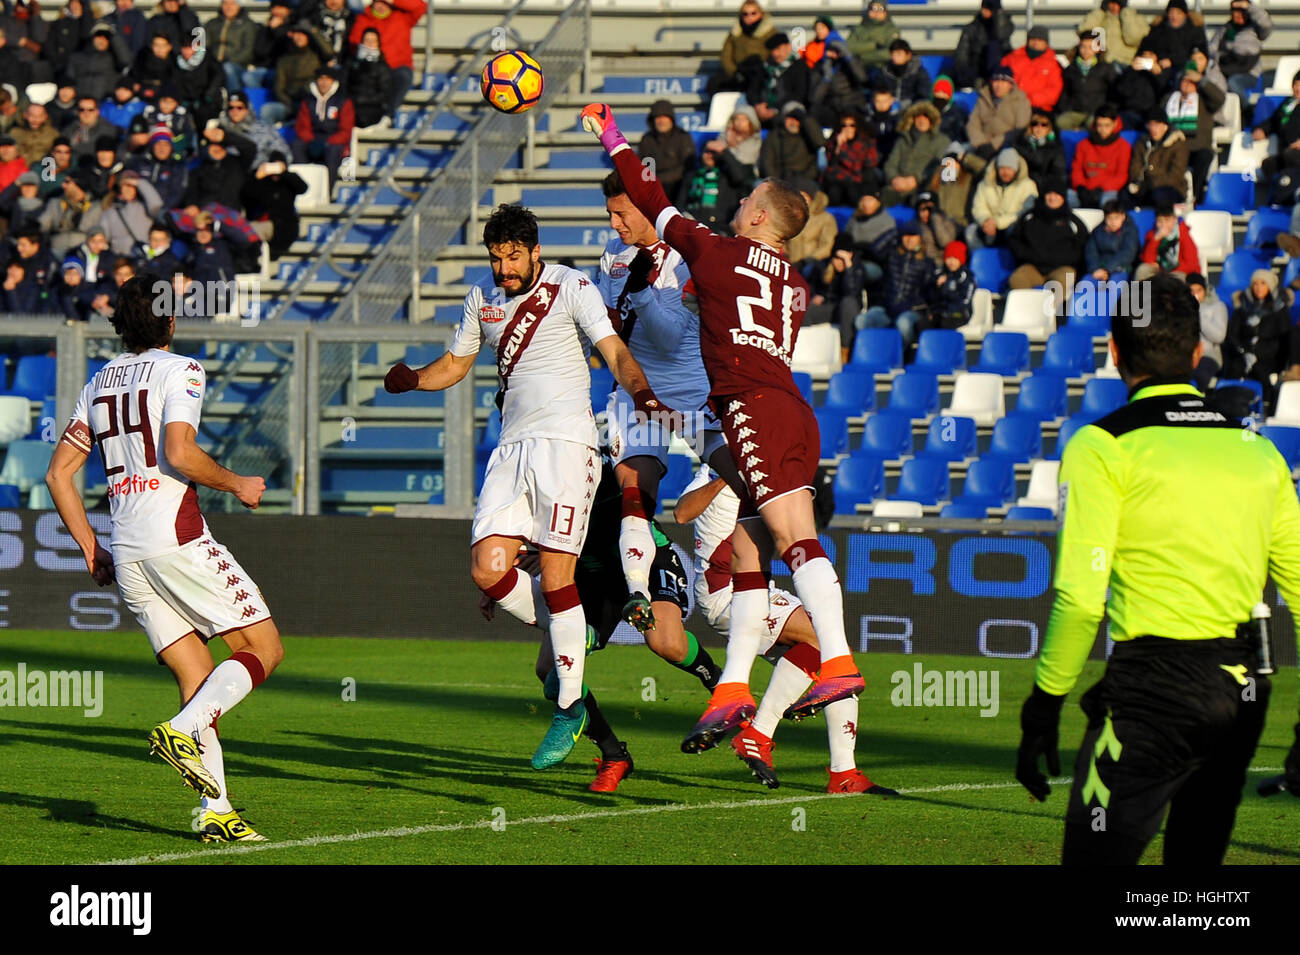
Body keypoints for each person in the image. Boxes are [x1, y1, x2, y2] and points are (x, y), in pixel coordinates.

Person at [582, 101, 867, 753]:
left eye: (749, 200)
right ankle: (738, 689)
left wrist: (610, 133)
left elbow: (653, 199)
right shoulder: (793, 284)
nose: (738, 204)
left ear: (761, 216)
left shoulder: (717, 254)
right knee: (762, 553)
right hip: (794, 409)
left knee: (795, 546)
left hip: (751, 411)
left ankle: (840, 662)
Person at [1015, 272, 1300, 864]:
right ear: (1198, 353)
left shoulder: (1102, 445)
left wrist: (1044, 707)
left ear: (1114, 352)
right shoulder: (1258, 451)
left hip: (1151, 692)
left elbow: (1079, 598)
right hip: (1241, 691)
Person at [381, 203, 669, 770]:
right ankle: (574, 632)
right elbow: (456, 365)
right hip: (511, 450)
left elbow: (613, 351)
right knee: (487, 570)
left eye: (514, 257)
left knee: (558, 573)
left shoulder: (572, 287)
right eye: (496, 258)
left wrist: (642, 393)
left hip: (569, 447)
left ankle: (569, 704)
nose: (504, 269)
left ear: (535, 251)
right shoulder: (481, 301)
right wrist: (414, 378)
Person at [44, 272, 284, 844]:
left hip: (126, 549)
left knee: (198, 677)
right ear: (171, 322)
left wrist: (89, 546)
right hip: (175, 537)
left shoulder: (98, 382)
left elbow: (58, 473)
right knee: (264, 649)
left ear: (121, 325)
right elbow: (179, 452)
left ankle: (216, 811)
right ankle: (182, 728)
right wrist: (239, 485)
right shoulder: (182, 370)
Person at [483, 457, 723, 793]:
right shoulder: (542, 472)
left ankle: (722, 686)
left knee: (666, 643)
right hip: (593, 575)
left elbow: (635, 511)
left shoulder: (606, 471)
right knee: (548, 671)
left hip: (645, 562)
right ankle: (614, 756)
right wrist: (501, 580)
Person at [674, 466, 894, 794]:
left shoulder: (760, 468)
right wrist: (726, 475)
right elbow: (681, 513)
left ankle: (843, 774)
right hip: (726, 594)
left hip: (753, 590)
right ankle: (759, 734)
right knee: (824, 642)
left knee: (832, 663)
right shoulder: (713, 471)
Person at [597, 170, 725, 631]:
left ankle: (769, 585)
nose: (614, 224)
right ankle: (636, 590)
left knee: (746, 475)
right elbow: (608, 322)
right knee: (634, 491)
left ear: (648, 207)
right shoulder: (613, 254)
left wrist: (643, 293)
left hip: (693, 392)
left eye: (621, 213)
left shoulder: (688, 252)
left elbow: (672, 341)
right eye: (609, 214)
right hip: (637, 394)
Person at [1006, 179, 1089, 315]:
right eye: (1049, 194)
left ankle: (1050, 320)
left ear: (1063, 197)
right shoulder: (1029, 217)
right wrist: (1027, 255)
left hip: (1062, 268)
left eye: (1057, 195)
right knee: (1017, 280)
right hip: (1033, 268)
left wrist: (1063, 259)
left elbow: (1082, 246)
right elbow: (1015, 241)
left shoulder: (1073, 221)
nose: (1052, 198)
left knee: (1060, 282)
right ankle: (1026, 316)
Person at [857, 219, 934, 348]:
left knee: (903, 324)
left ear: (920, 239)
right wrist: (895, 232)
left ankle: (901, 355)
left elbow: (929, 291)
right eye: (906, 235)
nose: (909, 240)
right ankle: (870, 352)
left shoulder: (927, 263)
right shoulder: (891, 255)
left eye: (913, 236)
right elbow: (875, 249)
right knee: (861, 321)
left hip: (911, 310)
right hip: (887, 309)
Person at [1224, 268, 1292, 399]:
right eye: (1255, 284)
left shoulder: (1280, 309)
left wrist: (1257, 353)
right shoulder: (1243, 306)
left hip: (1269, 357)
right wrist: (1244, 352)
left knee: (1262, 372)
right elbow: (1234, 334)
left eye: (1263, 283)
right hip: (1244, 354)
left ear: (1270, 286)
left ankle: (1266, 405)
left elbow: (1282, 339)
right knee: (1235, 369)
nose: (1258, 288)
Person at [1165, 58, 1224, 203]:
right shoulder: (1169, 99)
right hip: (1174, 147)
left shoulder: (1204, 101)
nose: (1186, 84)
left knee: (1204, 157)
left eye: (1191, 81)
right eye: (1184, 80)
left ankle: (1197, 197)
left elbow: (1219, 98)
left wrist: (1202, 80)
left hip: (1196, 148)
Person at [806, 233, 866, 361]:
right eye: (837, 258)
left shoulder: (857, 269)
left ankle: (845, 351)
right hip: (829, 308)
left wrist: (848, 267)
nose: (840, 262)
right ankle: (803, 351)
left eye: (843, 259)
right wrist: (816, 296)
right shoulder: (822, 266)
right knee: (804, 310)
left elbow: (852, 293)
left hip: (848, 311)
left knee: (848, 303)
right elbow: (808, 286)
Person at [966, 146, 1038, 250]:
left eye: (1009, 168)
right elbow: (978, 206)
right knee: (971, 231)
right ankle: (981, 260)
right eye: (1002, 168)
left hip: (1013, 226)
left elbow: (1025, 212)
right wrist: (985, 220)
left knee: (1015, 230)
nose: (1005, 172)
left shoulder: (1028, 185)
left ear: (1016, 169)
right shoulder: (985, 183)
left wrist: (998, 222)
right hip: (989, 225)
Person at [881, 101, 946, 207]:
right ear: (912, 119)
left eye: (926, 117)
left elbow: (937, 166)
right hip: (897, 186)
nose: (922, 120)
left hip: (922, 188)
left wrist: (916, 179)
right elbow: (891, 163)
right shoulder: (903, 139)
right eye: (918, 116)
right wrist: (893, 178)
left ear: (932, 121)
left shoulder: (941, 141)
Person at [1207, 0, 1272, 107]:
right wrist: (1221, 56)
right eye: (1234, 11)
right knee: (1211, 85)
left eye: (1241, 11)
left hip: (1248, 73)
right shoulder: (1225, 29)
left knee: (1234, 83)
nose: (1237, 14)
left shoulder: (1255, 29)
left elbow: (1266, 24)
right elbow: (1212, 49)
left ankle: (1246, 109)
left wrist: (1249, 6)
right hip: (1226, 70)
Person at [1070, 105, 1131, 208]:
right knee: (1068, 198)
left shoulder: (1123, 146)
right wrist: (1080, 186)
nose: (1102, 130)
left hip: (1108, 190)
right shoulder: (1083, 145)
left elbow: (1122, 175)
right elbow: (1076, 169)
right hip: (1084, 188)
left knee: (1107, 202)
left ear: (1115, 124)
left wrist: (1102, 189)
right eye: (1099, 125)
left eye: (1107, 125)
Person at [1056, 29, 1118, 130]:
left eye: (1090, 47)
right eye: (1083, 46)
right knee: (1060, 123)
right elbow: (1065, 93)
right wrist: (1065, 109)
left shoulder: (1106, 68)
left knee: (1093, 125)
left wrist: (1108, 110)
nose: (1086, 50)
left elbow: (1113, 93)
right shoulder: (1071, 69)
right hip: (1076, 111)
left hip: (1097, 111)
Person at [637, 100, 696, 207]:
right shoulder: (647, 140)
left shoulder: (683, 137)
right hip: (655, 189)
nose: (661, 121)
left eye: (665, 117)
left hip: (678, 188)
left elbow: (687, 167)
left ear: (671, 119)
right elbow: (645, 168)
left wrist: (662, 179)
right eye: (658, 117)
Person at [1125, 109, 1189, 207]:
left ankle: (1163, 221)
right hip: (1144, 186)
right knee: (1124, 196)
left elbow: (1175, 175)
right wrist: (1137, 183)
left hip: (1172, 188)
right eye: (1151, 125)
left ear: (1165, 126)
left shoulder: (1178, 144)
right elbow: (1135, 166)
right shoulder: (1142, 142)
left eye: (1157, 125)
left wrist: (1150, 184)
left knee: (1158, 196)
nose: (1153, 128)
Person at [966, 65, 1031, 161]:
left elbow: (1020, 128)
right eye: (996, 80)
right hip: (981, 145)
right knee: (956, 152)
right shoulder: (983, 98)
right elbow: (973, 124)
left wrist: (994, 144)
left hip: (1007, 147)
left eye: (1003, 81)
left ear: (1011, 84)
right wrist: (981, 143)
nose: (999, 85)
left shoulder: (1020, 100)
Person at [820, 111, 879, 207]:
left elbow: (857, 167)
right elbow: (831, 166)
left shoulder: (866, 141)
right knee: (833, 193)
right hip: (838, 180)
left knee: (853, 193)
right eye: (844, 125)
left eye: (852, 125)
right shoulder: (835, 141)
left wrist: (843, 148)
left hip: (859, 181)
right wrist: (838, 146)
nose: (847, 129)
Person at [716, 1, 775, 95]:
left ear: (761, 14)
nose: (749, 17)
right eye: (745, 14)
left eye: (753, 13)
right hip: (740, 75)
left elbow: (776, 55)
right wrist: (735, 73)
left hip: (762, 76)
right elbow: (726, 57)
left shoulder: (771, 33)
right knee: (715, 83)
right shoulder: (734, 34)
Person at [953, 0, 1014, 91]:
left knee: (993, 46)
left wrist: (998, 17)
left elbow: (1001, 34)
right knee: (965, 68)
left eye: (988, 8)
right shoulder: (972, 28)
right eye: (983, 8)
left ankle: (994, 80)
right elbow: (962, 53)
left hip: (997, 67)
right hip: (976, 66)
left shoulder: (1004, 26)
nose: (984, 11)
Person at [1002, 25, 1064, 114]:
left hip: (1039, 109)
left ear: (1046, 43)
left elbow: (1054, 90)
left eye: (1040, 40)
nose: (1036, 43)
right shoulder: (1012, 58)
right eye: (1033, 39)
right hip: (1011, 106)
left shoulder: (1053, 64)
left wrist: (1029, 101)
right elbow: (1000, 79)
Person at [1006, 110, 1068, 194]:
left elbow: (1059, 175)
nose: (1039, 128)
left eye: (1044, 125)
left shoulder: (1056, 148)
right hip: (1019, 186)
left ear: (1049, 128)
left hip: (1044, 189)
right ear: (1030, 126)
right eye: (1035, 124)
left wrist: (1035, 181)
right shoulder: (1020, 144)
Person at [1145, 0, 1208, 79]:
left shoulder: (1194, 32)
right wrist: (1153, 63)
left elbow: (1199, 56)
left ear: (1184, 15)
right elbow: (1147, 50)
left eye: (1178, 13)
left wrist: (1172, 62)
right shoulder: (1158, 30)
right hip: (1157, 69)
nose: (1174, 16)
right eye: (1171, 12)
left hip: (1183, 71)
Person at [1134, 204, 1199, 281]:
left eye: (1167, 220)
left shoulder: (1183, 235)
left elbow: (1191, 264)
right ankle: (1139, 293)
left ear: (1175, 220)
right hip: (1159, 270)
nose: (1163, 225)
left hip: (1178, 270)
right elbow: (1147, 259)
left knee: (1178, 278)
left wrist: (1169, 269)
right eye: (1159, 221)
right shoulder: (1152, 234)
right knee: (1142, 270)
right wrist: (1156, 239)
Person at [1186, 272, 1227, 391]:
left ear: (1205, 290)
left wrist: (1197, 313)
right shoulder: (1179, 309)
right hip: (1185, 354)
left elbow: (1219, 336)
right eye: (1191, 291)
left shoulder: (1218, 306)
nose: (1195, 295)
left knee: (1200, 376)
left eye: (1198, 290)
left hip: (1208, 355)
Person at [1078, 0, 1149, 67]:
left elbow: (1133, 39)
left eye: (1117, 3)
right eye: (1111, 3)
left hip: (1128, 64)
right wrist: (1100, 12)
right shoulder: (1102, 18)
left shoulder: (1136, 18)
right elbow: (1084, 33)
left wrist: (1127, 14)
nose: (1114, 7)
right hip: (1104, 64)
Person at [926, 239, 977, 331]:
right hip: (941, 313)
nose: (951, 262)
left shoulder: (967, 277)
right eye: (949, 258)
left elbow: (964, 301)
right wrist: (936, 286)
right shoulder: (939, 274)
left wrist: (947, 286)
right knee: (921, 325)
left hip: (959, 314)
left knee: (943, 323)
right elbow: (932, 299)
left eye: (955, 258)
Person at [1083, 199, 1140, 282]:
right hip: (1098, 270)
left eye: (1116, 218)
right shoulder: (1097, 231)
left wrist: (1107, 269)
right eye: (1109, 218)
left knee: (1114, 288)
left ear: (1123, 216)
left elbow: (1127, 253)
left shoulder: (1130, 230)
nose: (1113, 222)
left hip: (1121, 269)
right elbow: (1090, 252)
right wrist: (1094, 269)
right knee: (1083, 287)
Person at [846, 0, 898, 73]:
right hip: (858, 69)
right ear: (868, 12)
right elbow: (848, 47)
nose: (876, 12)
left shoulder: (891, 30)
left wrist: (862, 57)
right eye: (873, 9)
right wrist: (874, 45)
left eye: (880, 9)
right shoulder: (859, 29)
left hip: (882, 68)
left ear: (885, 13)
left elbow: (890, 53)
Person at [877, 38, 930, 110]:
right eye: (893, 54)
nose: (894, 57)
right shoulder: (884, 72)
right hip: (888, 108)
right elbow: (877, 92)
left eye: (898, 54)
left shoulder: (919, 72)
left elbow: (923, 96)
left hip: (911, 110)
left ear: (908, 55)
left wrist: (911, 108)